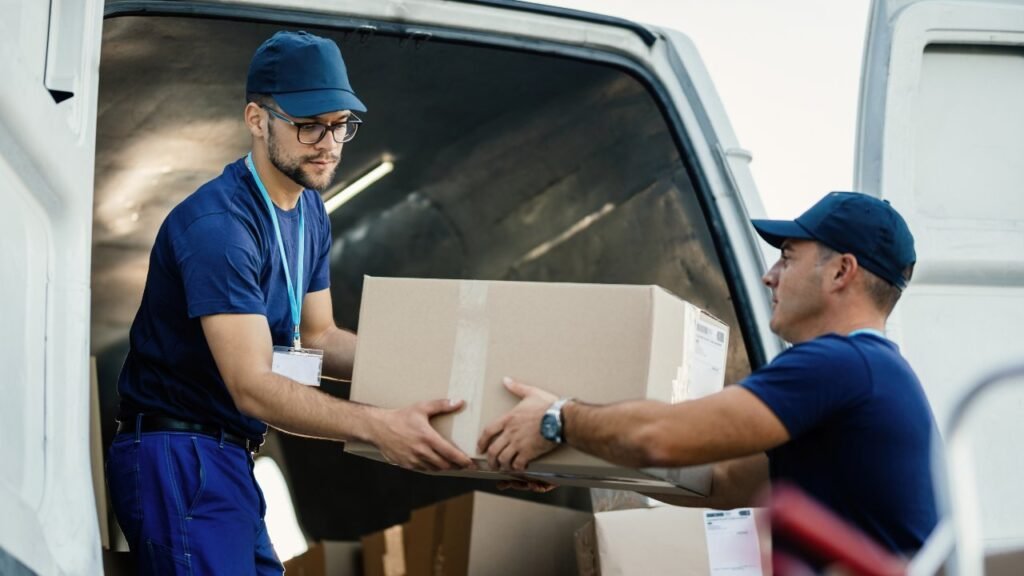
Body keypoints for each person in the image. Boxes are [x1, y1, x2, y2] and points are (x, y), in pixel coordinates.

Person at [106, 31, 472, 574]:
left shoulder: (309, 213)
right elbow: (252, 384)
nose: (328, 143)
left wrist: (438, 379)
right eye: (309, 125)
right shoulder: (219, 227)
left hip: (230, 455)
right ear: (257, 119)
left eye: (341, 125)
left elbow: (320, 337)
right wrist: (378, 426)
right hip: (179, 456)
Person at [478, 191, 940, 554]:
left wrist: (557, 419)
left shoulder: (839, 364)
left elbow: (661, 437)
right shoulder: (872, 373)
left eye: (788, 256)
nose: (770, 275)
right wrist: (573, 466)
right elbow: (715, 483)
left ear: (841, 272)